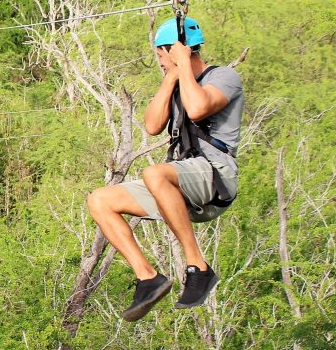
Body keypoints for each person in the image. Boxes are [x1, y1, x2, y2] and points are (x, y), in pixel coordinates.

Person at [86, 17, 243, 322]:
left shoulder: (224, 77)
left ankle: (199, 266)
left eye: (160, 55)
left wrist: (182, 66)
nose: (159, 62)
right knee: (100, 200)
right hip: (180, 184)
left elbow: (198, 109)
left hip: (216, 176)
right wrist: (171, 78)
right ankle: (148, 279)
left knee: (155, 173)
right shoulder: (176, 82)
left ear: (174, 50)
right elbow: (152, 125)